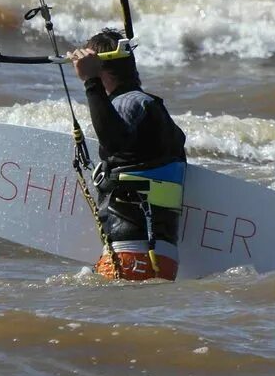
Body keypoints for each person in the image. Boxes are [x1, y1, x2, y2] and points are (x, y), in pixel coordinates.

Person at [69, 28, 187, 281]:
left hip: (129, 254)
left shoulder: (129, 103)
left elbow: (113, 142)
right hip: (162, 257)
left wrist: (91, 82)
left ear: (99, 67)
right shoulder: (153, 111)